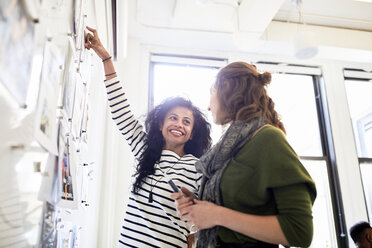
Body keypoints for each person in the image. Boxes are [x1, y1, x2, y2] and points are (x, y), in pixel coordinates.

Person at [84, 26, 212, 247]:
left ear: (192, 134)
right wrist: (106, 59)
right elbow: (120, 111)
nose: (178, 124)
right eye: (173, 118)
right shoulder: (145, 150)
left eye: (186, 122)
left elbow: (207, 215)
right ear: (161, 123)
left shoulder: (199, 166)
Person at [172, 62, 317, 248]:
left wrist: (216, 215)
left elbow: (300, 231)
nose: (208, 107)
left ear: (226, 89)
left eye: (211, 92)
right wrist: (200, 207)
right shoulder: (228, 147)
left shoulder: (268, 138)